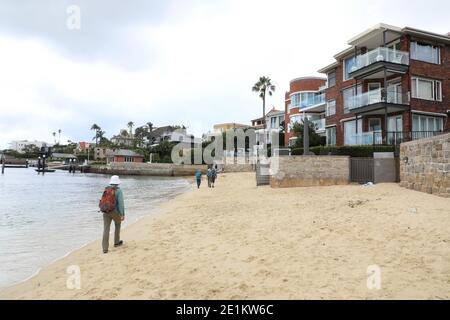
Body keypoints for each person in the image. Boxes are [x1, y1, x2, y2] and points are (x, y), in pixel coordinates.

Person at [101, 175, 125, 254]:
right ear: (117, 183)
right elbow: (121, 204)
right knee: (117, 225)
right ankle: (116, 242)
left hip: (105, 211)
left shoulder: (106, 189)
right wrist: (122, 214)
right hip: (115, 212)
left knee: (106, 229)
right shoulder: (118, 190)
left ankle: (105, 249)